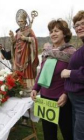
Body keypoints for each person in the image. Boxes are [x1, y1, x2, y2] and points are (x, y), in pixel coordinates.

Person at [31, 19, 76, 140]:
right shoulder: (47, 52)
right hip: (45, 99)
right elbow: (41, 72)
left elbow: (73, 77)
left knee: (68, 133)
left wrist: (66, 94)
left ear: (65, 33)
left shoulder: (72, 53)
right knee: (48, 134)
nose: (53, 34)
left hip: (62, 100)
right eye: (51, 31)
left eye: (56, 30)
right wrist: (35, 88)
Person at [61, 10, 84, 140]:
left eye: (82, 23)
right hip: (76, 101)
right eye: (76, 25)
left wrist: (68, 73)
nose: (79, 27)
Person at [9, 9, 39, 93]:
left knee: (27, 69)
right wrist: (12, 37)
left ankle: (29, 86)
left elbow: (34, 40)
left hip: (26, 54)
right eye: (18, 21)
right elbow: (14, 42)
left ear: (25, 21)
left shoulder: (29, 30)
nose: (20, 23)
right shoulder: (18, 32)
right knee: (18, 71)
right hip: (18, 55)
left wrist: (25, 38)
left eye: (21, 21)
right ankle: (19, 86)